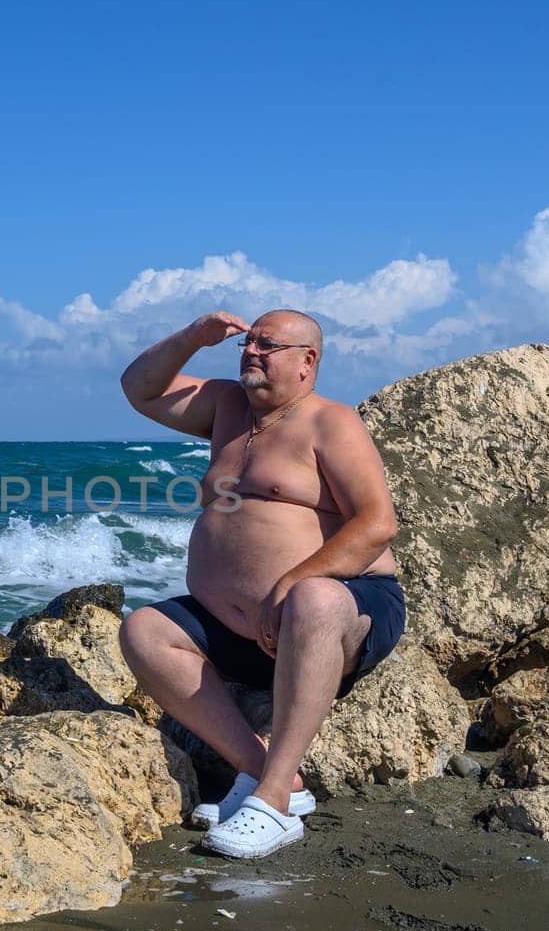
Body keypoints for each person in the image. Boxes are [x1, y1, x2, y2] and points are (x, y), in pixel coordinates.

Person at [117, 309, 405, 859]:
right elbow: (140, 389)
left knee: (315, 599)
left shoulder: (330, 422)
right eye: (248, 343)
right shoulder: (226, 407)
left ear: (307, 361)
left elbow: (377, 523)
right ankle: (264, 773)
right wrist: (192, 338)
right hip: (247, 635)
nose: (252, 352)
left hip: (342, 612)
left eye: (267, 345)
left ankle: (272, 801)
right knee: (144, 630)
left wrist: (292, 582)